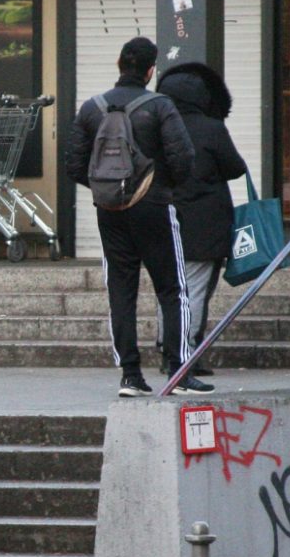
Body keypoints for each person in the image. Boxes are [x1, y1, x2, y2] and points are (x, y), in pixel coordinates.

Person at [65, 36, 213, 396]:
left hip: (110, 211)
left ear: (119, 65)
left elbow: (73, 165)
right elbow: (184, 158)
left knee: (120, 290)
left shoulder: (90, 108)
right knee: (172, 289)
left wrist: (109, 190)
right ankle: (178, 373)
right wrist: (161, 188)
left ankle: (130, 376)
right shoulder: (160, 106)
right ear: (150, 71)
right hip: (154, 207)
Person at [154, 62, 248, 377]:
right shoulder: (211, 128)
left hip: (160, 218)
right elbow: (235, 167)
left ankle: (166, 348)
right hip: (204, 224)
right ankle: (184, 352)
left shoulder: (154, 125)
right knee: (194, 289)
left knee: (167, 289)